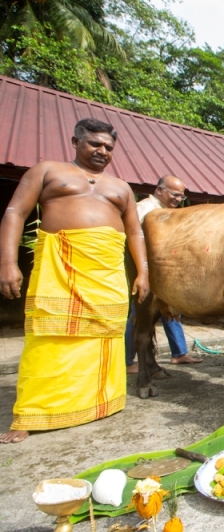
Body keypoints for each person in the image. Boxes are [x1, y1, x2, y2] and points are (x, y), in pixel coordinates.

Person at [0, 118, 149, 444]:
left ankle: (101, 403)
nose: (102, 151)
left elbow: (135, 232)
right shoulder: (47, 171)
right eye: (95, 144)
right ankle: (32, 412)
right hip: (60, 267)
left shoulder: (121, 187)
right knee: (49, 340)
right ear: (75, 141)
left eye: (109, 147)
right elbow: (14, 212)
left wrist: (144, 271)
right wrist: (8, 263)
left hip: (107, 272)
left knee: (104, 339)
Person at [124, 175, 201, 374]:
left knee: (170, 311)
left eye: (181, 197)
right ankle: (128, 360)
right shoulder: (145, 210)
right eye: (174, 194)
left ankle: (179, 353)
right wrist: (142, 271)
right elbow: (134, 242)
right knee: (138, 315)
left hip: (166, 271)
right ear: (159, 191)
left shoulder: (170, 213)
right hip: (144, 270)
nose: (177, 199)